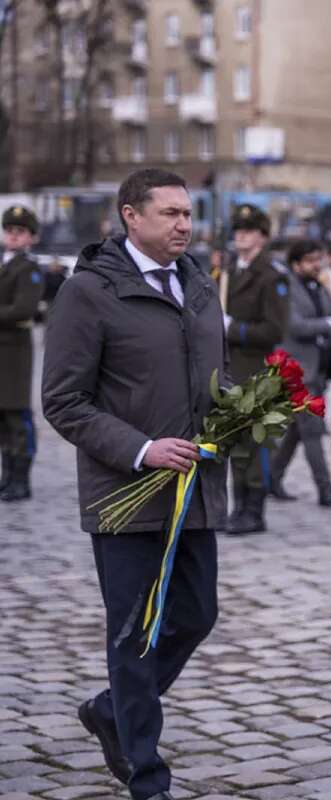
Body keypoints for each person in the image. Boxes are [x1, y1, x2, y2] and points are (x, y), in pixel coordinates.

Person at [42, 168, 225, 800]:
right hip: (126, 495)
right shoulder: (88, 293)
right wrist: (142, 450)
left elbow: (208, 382)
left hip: (193, 492)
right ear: (130, 216)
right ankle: (146, 774)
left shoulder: (199, 285)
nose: (183, 224)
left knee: (197, 615)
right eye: (169, 213)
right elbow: (63, 401)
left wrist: (239, 418)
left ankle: (110, 710)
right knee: (135, 634)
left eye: (187, 213)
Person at [224, 203, 290, 534]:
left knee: (256, 442)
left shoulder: (271, 276)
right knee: (235, 442)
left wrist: (233, 328)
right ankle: (238, 507)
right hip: (231, 370)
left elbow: (274, 330)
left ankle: (255, 509)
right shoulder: (228, 271)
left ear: (262, 237)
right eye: (237, 231)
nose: (241, 237)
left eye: (248, 232)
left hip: (258, 370)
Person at [269, 240, 331, 506]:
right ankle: (325, 490)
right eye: (311, 260)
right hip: (295, 373)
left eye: (318, 259)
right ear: (296, 264)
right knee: (312, 429)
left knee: (296, 430)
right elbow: (295, 326)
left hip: (318, 371)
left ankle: (273, 477)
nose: (317, 265)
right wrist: (326, 324)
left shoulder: (319, 287)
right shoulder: (286, 288)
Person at [0, 205, 42, 502]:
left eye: (20, 232)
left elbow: (23, 309)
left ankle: (21, 480)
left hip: (15, 352)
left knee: (17, 416)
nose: (13, 237)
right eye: (9, 231)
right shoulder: (4, 264)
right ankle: (7, 477)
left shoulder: (28, 269)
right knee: (2, 417)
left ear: (31, 238)